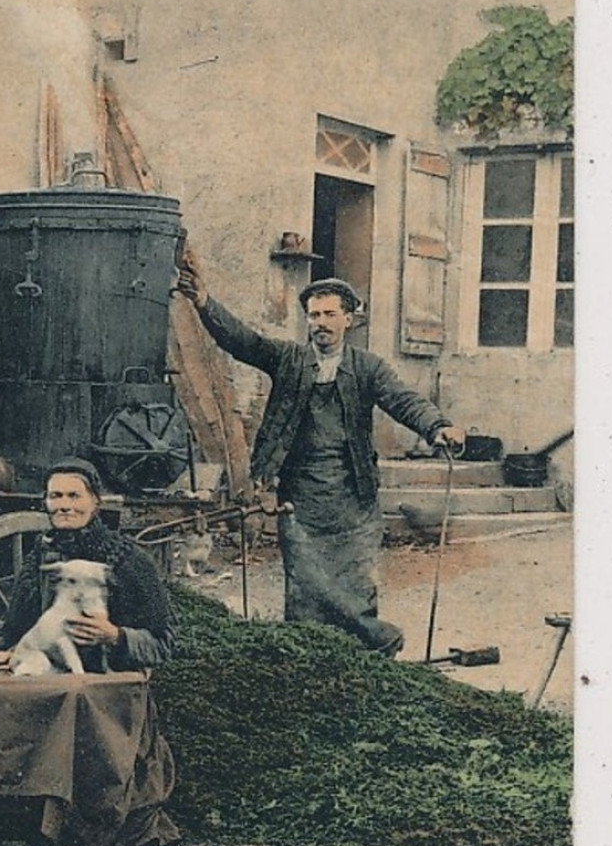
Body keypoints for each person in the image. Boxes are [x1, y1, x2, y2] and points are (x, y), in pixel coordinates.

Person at [176, 248, 467, 655]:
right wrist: (204, 302)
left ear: (349, 319)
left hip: (354, 497)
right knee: (307, 589)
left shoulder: (368, 367)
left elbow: (403, 400)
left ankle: (364, 656)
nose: (321, 324)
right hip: (301, 499)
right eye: (314, 315)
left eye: (330, 315)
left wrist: (437, 426)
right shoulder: (288, 359)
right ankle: (311, 657)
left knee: (354, 585)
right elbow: (243, 341)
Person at [0, 458, 181, 846]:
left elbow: (167, 641)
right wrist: (6, 653)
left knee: (77, 700)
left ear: (95, 502)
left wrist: (116, 635)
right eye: (55, 496)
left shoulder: (128, 561)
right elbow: (17, 631)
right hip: (54, 675)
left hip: (113, 686)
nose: (64, 505)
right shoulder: (40, 562)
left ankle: (81, 824)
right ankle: (14, 812)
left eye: (75, 495)